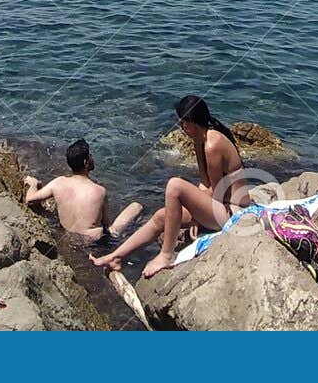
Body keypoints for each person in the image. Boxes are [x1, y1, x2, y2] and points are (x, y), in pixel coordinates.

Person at [90, 96, 251, 279]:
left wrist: (197, 217)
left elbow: (216, 193)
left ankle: (166, 255)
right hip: (220, 206)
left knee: (175, 186)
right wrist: (197, 211)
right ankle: (115, 257)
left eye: (182, 123)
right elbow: (205, 183)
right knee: (161, 216)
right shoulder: (200, 140)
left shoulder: (212, 145)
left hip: (234, 212)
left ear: (191, 122)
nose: (181, 127)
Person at [23, 139, 143, 248]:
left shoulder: (58, 183)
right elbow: (106, 224)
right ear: (86, 162)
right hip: (94, 243)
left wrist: (33, 184)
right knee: (136, 207)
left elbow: (30, 199)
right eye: (90, 155)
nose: (92, 157)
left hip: (69, 237)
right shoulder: (99, 191)